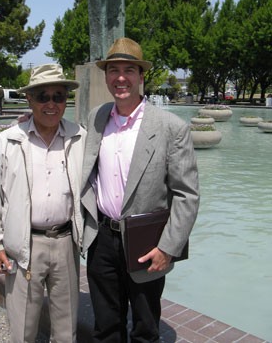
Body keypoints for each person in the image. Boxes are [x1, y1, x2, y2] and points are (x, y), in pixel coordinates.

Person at [81, 38, 200, 342]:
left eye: (129, 70)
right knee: (106, 326)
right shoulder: (96, 118)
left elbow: (186, 195)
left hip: (147, 244)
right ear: (106, 76)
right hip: (102, 240)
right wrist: (32, 121)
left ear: (141, 75)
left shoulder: (171, 127)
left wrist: (168, 248)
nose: (121, 78)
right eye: (114, 70)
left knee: (146, 329)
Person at [0, 63, 86, 343]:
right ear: (29, 99)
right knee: (23, 328)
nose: (51, 104)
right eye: (43, 96)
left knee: (67, 328)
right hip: (24, 246)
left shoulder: (80, 138)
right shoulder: (8, 141)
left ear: (66, 100)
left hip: (66, 243)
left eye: (58, 96)